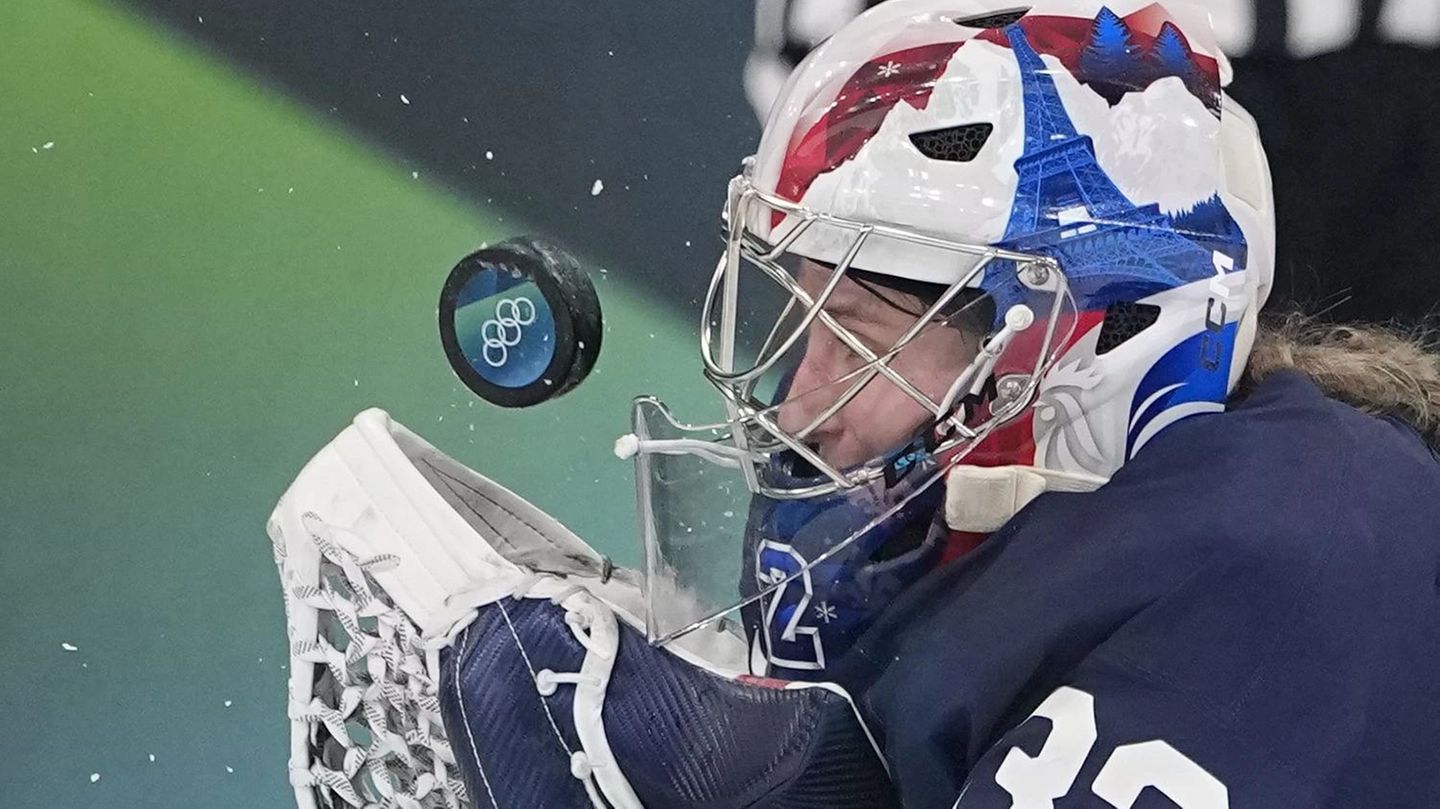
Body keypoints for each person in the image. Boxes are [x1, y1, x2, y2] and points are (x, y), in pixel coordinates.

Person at [619, 0, 1440, 804]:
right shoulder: (1102, 557)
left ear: (1084, 351)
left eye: (862, 343)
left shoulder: (1277, 569)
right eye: (806, 328)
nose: (799, 409)